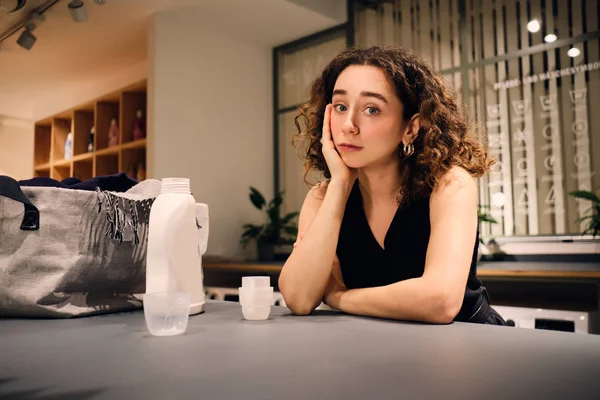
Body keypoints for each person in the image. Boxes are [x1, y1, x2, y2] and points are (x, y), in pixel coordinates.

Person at [278, 45, 506, 325]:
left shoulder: (449, 185)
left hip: (466, 345)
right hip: (378, 351)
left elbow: (441, 302)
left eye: (372, 109)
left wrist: (338, 297)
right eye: (340, 107)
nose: (349, 125)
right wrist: (339, 185)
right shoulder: (322, 197)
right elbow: (299, 299)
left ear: (410, 128)